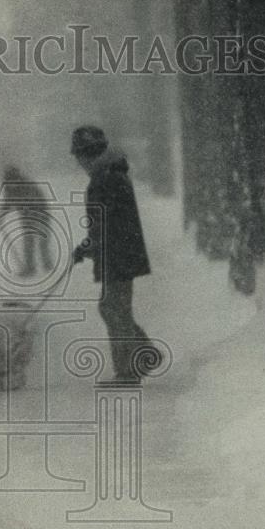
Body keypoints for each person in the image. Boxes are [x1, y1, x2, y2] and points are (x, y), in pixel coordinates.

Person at [70, 125, 156, 383]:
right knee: (115, 308)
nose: (79, 163)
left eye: (79, 157)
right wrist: (88, 247)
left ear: (87, 155)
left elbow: (105, 224)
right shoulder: (110, 175)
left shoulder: (105, 179)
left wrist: (90, 246)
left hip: (118, 256)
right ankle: (143, 354)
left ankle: (128, 371)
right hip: (120, 254)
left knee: (113, 309)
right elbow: (105, 223)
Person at [0, 164, 55, 277]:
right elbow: (7, 204)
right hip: (26, 217)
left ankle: (47, 265)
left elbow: (38, 201)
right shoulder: (9, 188)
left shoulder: (27, 185)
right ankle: (30, 268)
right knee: (28, 242)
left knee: (42, 241)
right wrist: (1, 216)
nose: (11, 183)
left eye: (13, 179)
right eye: (9, 180)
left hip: (41, 213)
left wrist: (35, 216)